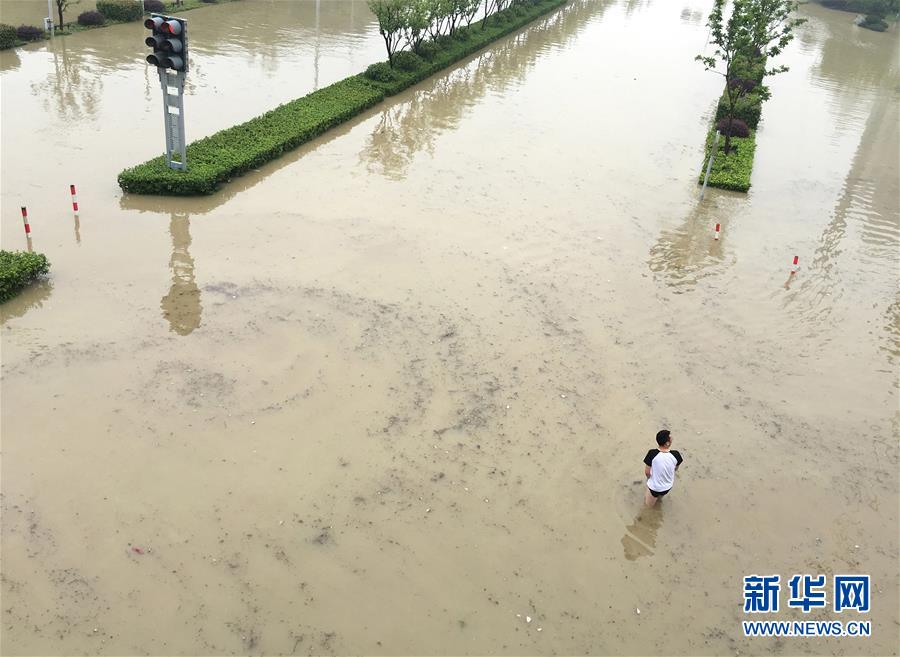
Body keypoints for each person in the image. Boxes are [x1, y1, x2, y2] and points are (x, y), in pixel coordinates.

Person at [643, 429, 683, 506]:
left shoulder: (652, 453)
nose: (672, 439)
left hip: (654, 487)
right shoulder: (676, 454)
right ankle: (659, 500)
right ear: (667, 443)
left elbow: (647, 472)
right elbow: (676, 468)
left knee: (647, 506)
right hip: (668, 486)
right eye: (670, 438)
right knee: (659, 498)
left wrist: (649, 479)